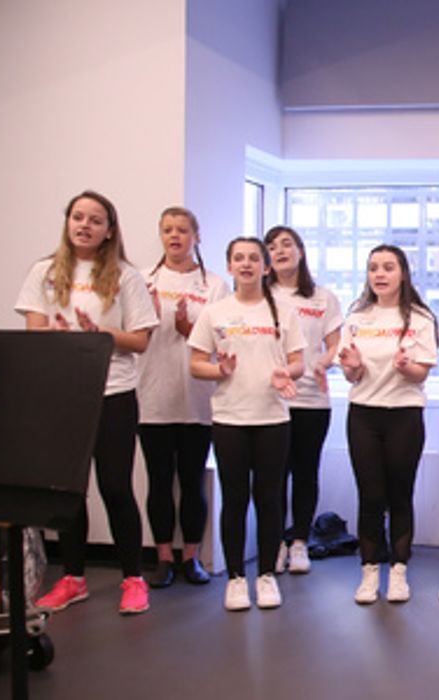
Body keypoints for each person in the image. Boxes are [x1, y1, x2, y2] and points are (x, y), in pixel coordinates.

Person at [20, 191, 159, 615]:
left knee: (116, 487)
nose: (84, 225)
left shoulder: (125, 276)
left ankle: (134, 579)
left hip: (113, 393)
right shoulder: (43, 271)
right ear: (67, 222)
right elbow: (34, 332)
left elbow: (139, 340)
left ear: (109, 229)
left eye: (95, 220)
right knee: (68, 492)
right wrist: (64, 336)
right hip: (63, 397)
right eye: (78, 217)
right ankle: (73, 578)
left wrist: (97, 333)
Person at [189, 238, 306, 611]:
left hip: (272, 419)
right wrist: (218, 370)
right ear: (230, 266)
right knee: (235, 499)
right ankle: (237, 578)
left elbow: (298, 362)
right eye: (238, 258)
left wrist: (284, 374)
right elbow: (196, 363)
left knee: (269, 499)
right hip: (229, 419)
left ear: (265, 266)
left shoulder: (283, 312)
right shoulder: (215, 312)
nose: (246, 264)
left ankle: (267, 576)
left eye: (254, 258)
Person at [340, 245, 437, 604]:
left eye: (388, 267)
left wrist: (404, 366)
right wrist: (352, 365)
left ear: (402, 273)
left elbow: (421, 373)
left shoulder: (420, 318)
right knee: (370, 497)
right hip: (364, 414)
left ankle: (398, 571)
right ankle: (369, 573)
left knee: (400, 494)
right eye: (373, 268)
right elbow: (352, 376)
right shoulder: (357, 316)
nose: (380, 274)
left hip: (404, 414)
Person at [137, 206, 227, 588]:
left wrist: (191, 329)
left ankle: (191, 558)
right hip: (153, 396)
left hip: (198, 399)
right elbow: (134, 337)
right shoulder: (143, 281)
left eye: (183, 230)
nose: (175, 236)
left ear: (197, 236)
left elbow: (225, 340)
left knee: (192, 481)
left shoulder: (215, 285)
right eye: (168, 230)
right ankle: (162, 559)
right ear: (160, 236)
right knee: (158, 481)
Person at [265, 226, 342, 575]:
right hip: (270, 400)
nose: (279, 251)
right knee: (274, 475)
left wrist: (325, 362)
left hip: (311, 398)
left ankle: (299, 542)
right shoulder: (259, 297)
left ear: (300, 251)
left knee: (305, 472)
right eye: (271, 247)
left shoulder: (322, 298)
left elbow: (336, 343)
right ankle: (277, 542)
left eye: (286, 245)